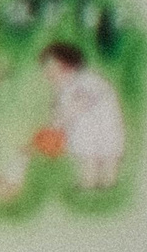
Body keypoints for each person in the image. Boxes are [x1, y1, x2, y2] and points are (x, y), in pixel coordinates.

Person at [40, 41, 126, 191]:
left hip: (103, 125)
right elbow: (60, 109)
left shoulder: (87, 80)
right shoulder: (63, 88)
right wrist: (55, 123)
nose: (49, 75)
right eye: (47, 70)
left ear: (69, 66)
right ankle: (88, 184)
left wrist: (59, 121)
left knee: (108, 155)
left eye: (53, 69)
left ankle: (108, 185)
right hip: (85, 129)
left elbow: (79, 104)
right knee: (87, 157)